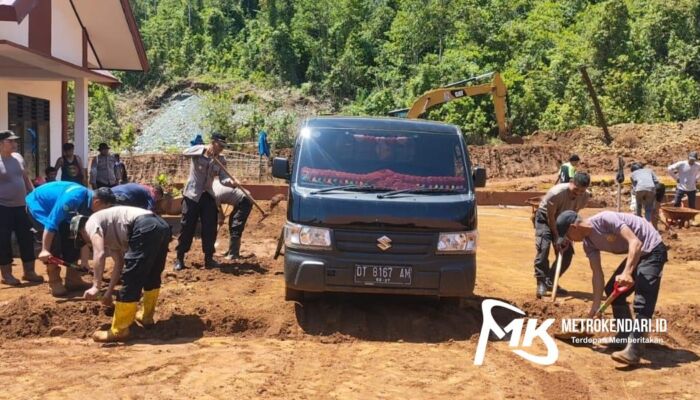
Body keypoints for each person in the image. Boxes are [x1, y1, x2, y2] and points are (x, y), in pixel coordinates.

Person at [556, 210, 668, 365]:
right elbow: (597, 275)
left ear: (573, 227)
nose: (570, 240)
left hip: (652, 248)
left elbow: (635, 243)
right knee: (612, 290)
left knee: (643, 299)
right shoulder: (589, 243)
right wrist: (594, 311)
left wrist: (627, 273)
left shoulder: (605, 219)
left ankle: (635, 350)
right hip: (637, 254)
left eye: (568, 236)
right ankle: (625, 335)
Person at [77, 204, 170, 342]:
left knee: (132, 277)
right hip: (160, 225)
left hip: (144, 225)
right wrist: (108, 294)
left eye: (81, 240)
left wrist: (96, 286)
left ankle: (119, 330)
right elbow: (119, 264)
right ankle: (146, 316)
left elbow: (99, 253)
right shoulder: (109, 232)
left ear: (81, 231)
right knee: (151, 274)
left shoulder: (90, 223)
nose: (87, 244)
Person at [26, 182, 113, 296]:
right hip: (40, 205)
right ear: (97, 202)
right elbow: (51, 224)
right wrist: (45, 249)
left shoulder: (91, 205)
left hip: (60, 209)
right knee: (54, 241)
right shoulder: (72, 199)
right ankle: (54, 281)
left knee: (73, 235)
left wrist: (85, 261)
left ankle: (73, 279)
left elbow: (82, 234)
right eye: (104, 209)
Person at [174, 133, 241, 271]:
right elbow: (185, 152)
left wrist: (232, 183)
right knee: (187, 227)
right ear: (213, 142)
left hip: (208, 195)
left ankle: (209, 258)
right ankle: (179, 258)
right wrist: (203, 150)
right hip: (192, 195)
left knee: (210, 228)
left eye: (223, 146)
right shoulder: (198, 151)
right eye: (220, 145)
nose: (222, 148)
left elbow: (223, 179)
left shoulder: (221, 159)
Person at [533, 172, 591, 298]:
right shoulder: (556, 193)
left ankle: (550, 281)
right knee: (543, 248)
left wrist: (568, 235)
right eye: (576, 189)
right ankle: (541, 282)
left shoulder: (585, 196)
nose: (578, 194)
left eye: (582, 191)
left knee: (567, 253)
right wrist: (557, 237)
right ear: (571, 182)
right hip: (546, 219)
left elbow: (573, 214)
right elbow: (551, 218)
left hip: (564, 222)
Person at [0, 130, 43, 285]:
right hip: (3, 208)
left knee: (26, 238)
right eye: (10, 141)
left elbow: (25, 178)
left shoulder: (18, 158)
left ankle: (29, 272)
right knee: (3, 241)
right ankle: (6, 275)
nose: (14, 144)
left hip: (21, 206)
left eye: (15, 141)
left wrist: (33, 195)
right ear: (1, 143)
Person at [213, 178, 253, 260]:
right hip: (241, 200)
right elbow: (219, 208)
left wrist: (221, 218)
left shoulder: (213, 194)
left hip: (245, 200)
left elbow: (218, 209)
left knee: (236, 226)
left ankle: (234, 254)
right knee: (232, 222)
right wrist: (221, 217)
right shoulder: (214, 183)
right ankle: (231, 251)